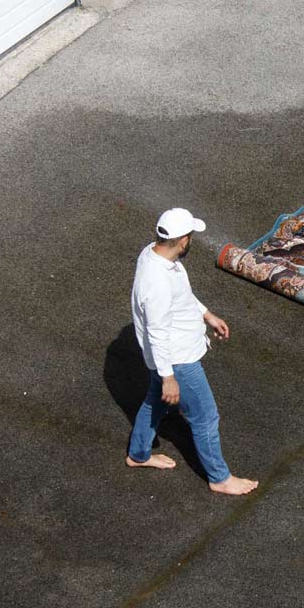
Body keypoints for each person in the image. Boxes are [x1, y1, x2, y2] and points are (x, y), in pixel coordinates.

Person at [125, 207, 258, 496]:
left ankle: (139, 454)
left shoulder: (154, 254)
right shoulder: (157, 282)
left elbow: (181, 297)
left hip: (168, 358)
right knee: (205, 417)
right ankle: (219, 478)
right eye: (191, 236)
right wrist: (169, 377)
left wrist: (206, 314)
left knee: (156, 401)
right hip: (178, 360)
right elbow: (157, 332)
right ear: (183, 240)